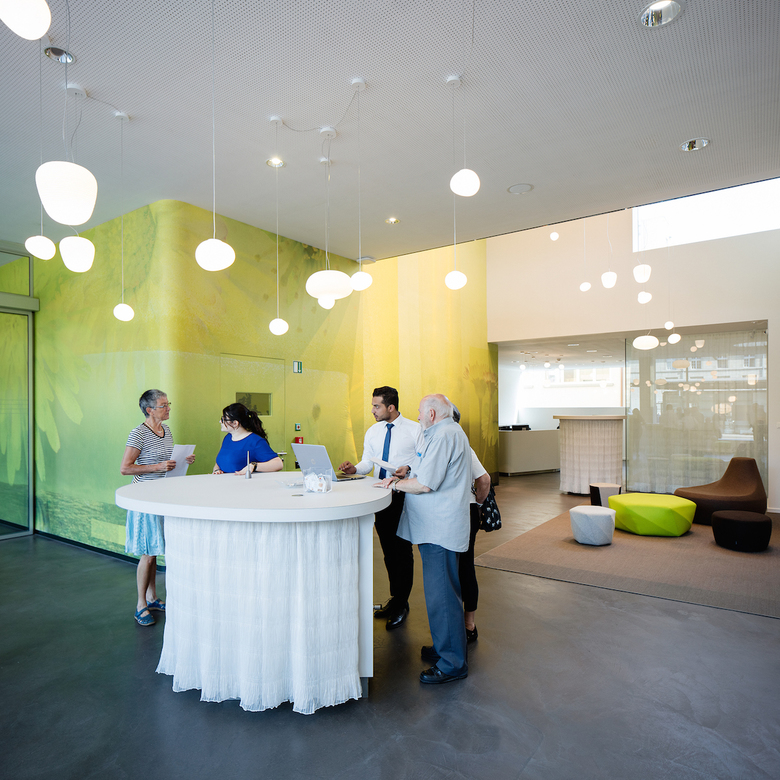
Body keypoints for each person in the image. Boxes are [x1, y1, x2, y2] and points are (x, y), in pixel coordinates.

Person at [378, 394, 472, 684]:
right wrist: (409, 471)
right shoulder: (445, 433)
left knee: (442, 597)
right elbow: (428, 470)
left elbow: (426, 484)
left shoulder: (443, 436)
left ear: (431, 413)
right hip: (437, 527)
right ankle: (446, 647)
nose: (417, 416)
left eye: (420, 412)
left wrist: (396, 483)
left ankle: (452, 663)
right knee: (443, 594)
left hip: (439, 530)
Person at [339, 386, 423, 629]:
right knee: (388, 550)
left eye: (377, 406)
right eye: (373, 406)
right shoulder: (373, 431)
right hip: (380, 495)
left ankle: (402, 603)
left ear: (391, 407)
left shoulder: (415, 429)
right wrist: (354, 469)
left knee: (402, 550)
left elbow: (423, 460)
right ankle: (396, 598)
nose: (373, 410)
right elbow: (368, 462)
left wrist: (409, 468)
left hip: (403, 495)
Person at [120, 389, 195, 626]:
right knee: (147, 554)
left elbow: (166, 462)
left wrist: (183, 460)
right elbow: (126, 468)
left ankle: (152, 598)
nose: (169, 408)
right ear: (149, 410)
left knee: (154, 551)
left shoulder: (166, 430)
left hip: (163, 496)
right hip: (144, 498)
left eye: (168, 404)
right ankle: (140, 605)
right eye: (164, 405)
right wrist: (157, 467)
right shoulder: (138, 433)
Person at [451, 405, 491, 644]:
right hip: (462, 512)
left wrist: (476, 503)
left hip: (461, 513)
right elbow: (483, 479)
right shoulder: (458, 445)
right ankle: (465, 623)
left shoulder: (460, 446)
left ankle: (468, 624)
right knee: (463, 566)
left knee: (463, 567)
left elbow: (484, 479)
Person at [213, 403, 283, 474]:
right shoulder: (228, 438)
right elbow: (220, 461)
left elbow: (278, 464)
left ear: (235, 423)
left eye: (223, 419)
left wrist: (254, 466)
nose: (220, 421)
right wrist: (217, 470)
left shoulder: (255, 441)